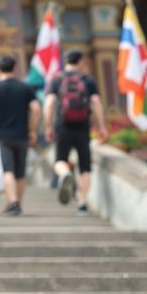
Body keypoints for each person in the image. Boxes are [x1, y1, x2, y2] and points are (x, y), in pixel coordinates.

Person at [43, 50, 108, 215]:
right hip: (82, 126)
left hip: (63, 126)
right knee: (85, 167)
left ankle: (64, 174)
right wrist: (101, 126)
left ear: (65, 62)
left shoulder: (57, 79)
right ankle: (82, 203)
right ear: (81, 62)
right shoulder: (87, 79)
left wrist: (48, 126)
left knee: (59, 161)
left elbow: (49, 103)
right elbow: (96, 101)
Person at [0, 55, 40, 216]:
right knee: (20, 172)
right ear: (15, 68)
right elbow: (36, 108)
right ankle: (17, 204)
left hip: (3, 136)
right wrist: (32, 129)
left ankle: (13, 203)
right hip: (22, 135)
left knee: (8, 170)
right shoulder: (25, 88)